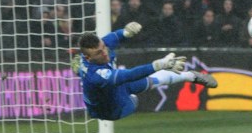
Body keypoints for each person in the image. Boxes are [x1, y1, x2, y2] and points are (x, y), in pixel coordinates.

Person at [75, 22, 217, 121]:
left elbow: (115, 37)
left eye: (104, 48)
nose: (105, 53)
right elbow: (129, 75)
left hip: (115, 88)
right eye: (99, 53)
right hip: (111, 108)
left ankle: (191, 76)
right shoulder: (96, 75)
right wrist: (158, 65)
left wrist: (126, 32)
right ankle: (187, 75)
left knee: (153, 81)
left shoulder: (99, 47)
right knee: (134, 93)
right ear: (88, 57)